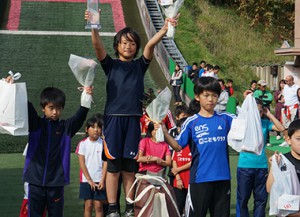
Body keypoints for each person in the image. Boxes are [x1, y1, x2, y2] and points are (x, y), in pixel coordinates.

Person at [86, 9, 179, 217]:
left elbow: (150, 45)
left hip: (133, 121)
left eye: (132, 43)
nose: (128, 46)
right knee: (113, 167)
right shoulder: (110, 65)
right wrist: (94, 26)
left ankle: (129, 206)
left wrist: (164, 29)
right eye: (124, 43)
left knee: (129, 168)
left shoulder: (139, 66)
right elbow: (97, 45)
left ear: (136, 48)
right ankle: (112, 209)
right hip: (113, 122)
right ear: (117, 46)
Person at [5, 80, 92, 217]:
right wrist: (12, 86)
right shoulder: (36, 124)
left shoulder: (66, 128)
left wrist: (87, 96)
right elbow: (25, 105)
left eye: (58, 108)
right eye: (51, 108)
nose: (55, 112)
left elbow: (81, 114)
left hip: (56, 183)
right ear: (43, 108)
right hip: (35, 181)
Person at [162, 77, 235, 217]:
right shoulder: (191, 122)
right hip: (200, 179)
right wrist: (165, 133)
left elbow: (245, 128)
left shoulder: (227, 118)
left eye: (214, 95)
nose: (211, 99)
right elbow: (177, 146)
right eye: (206, 95)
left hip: (223, 178)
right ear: (197, 96)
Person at [236, 97, 284, 217]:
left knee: (261, 200)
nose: (258, 114)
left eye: (260, 111)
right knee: (242, 200)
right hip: (244, 166)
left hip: (261, 167)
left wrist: (269, 114)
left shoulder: (265, 123)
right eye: (255, 111)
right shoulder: (243, 124)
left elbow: (281, 128)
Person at [266, 119, 300, 217]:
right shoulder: (282, 160)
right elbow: (269, 189)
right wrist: (274, 166)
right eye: (298, 138)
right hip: (287, 211)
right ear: (288, 140)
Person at [76, 116, 108, 217]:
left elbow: (105, 163)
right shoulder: (82, 144)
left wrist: (103, 180)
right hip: (86, 181)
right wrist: (89, 180)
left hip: (99, 180)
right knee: (88, 206)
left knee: (98, 206)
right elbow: (82, 163)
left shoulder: (103, 144)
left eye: (98, 127)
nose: (96, 130)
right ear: (86, 129)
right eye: (93, 127)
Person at [171, 117, 192, 216]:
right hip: (179, 181)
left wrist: (178, 169)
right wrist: (178, 178)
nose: (181, 130)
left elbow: (193, 161)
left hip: (191, 181)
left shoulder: (193, 143)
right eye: (180, 127)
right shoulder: (177, 144)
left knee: (190, 209)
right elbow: (174, 160)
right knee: (177, 207)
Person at [280, 75, 300, 147]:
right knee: (285, 125)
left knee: (293, 125)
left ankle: (294, 140)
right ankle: (287, 140)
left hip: (294, 108)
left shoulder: (297, 87)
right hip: (286, 107)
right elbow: (284, 96)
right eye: (286, 81)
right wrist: (282, 100)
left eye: (288, 81)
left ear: (292, 80)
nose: (286, 82)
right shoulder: (285, 87)